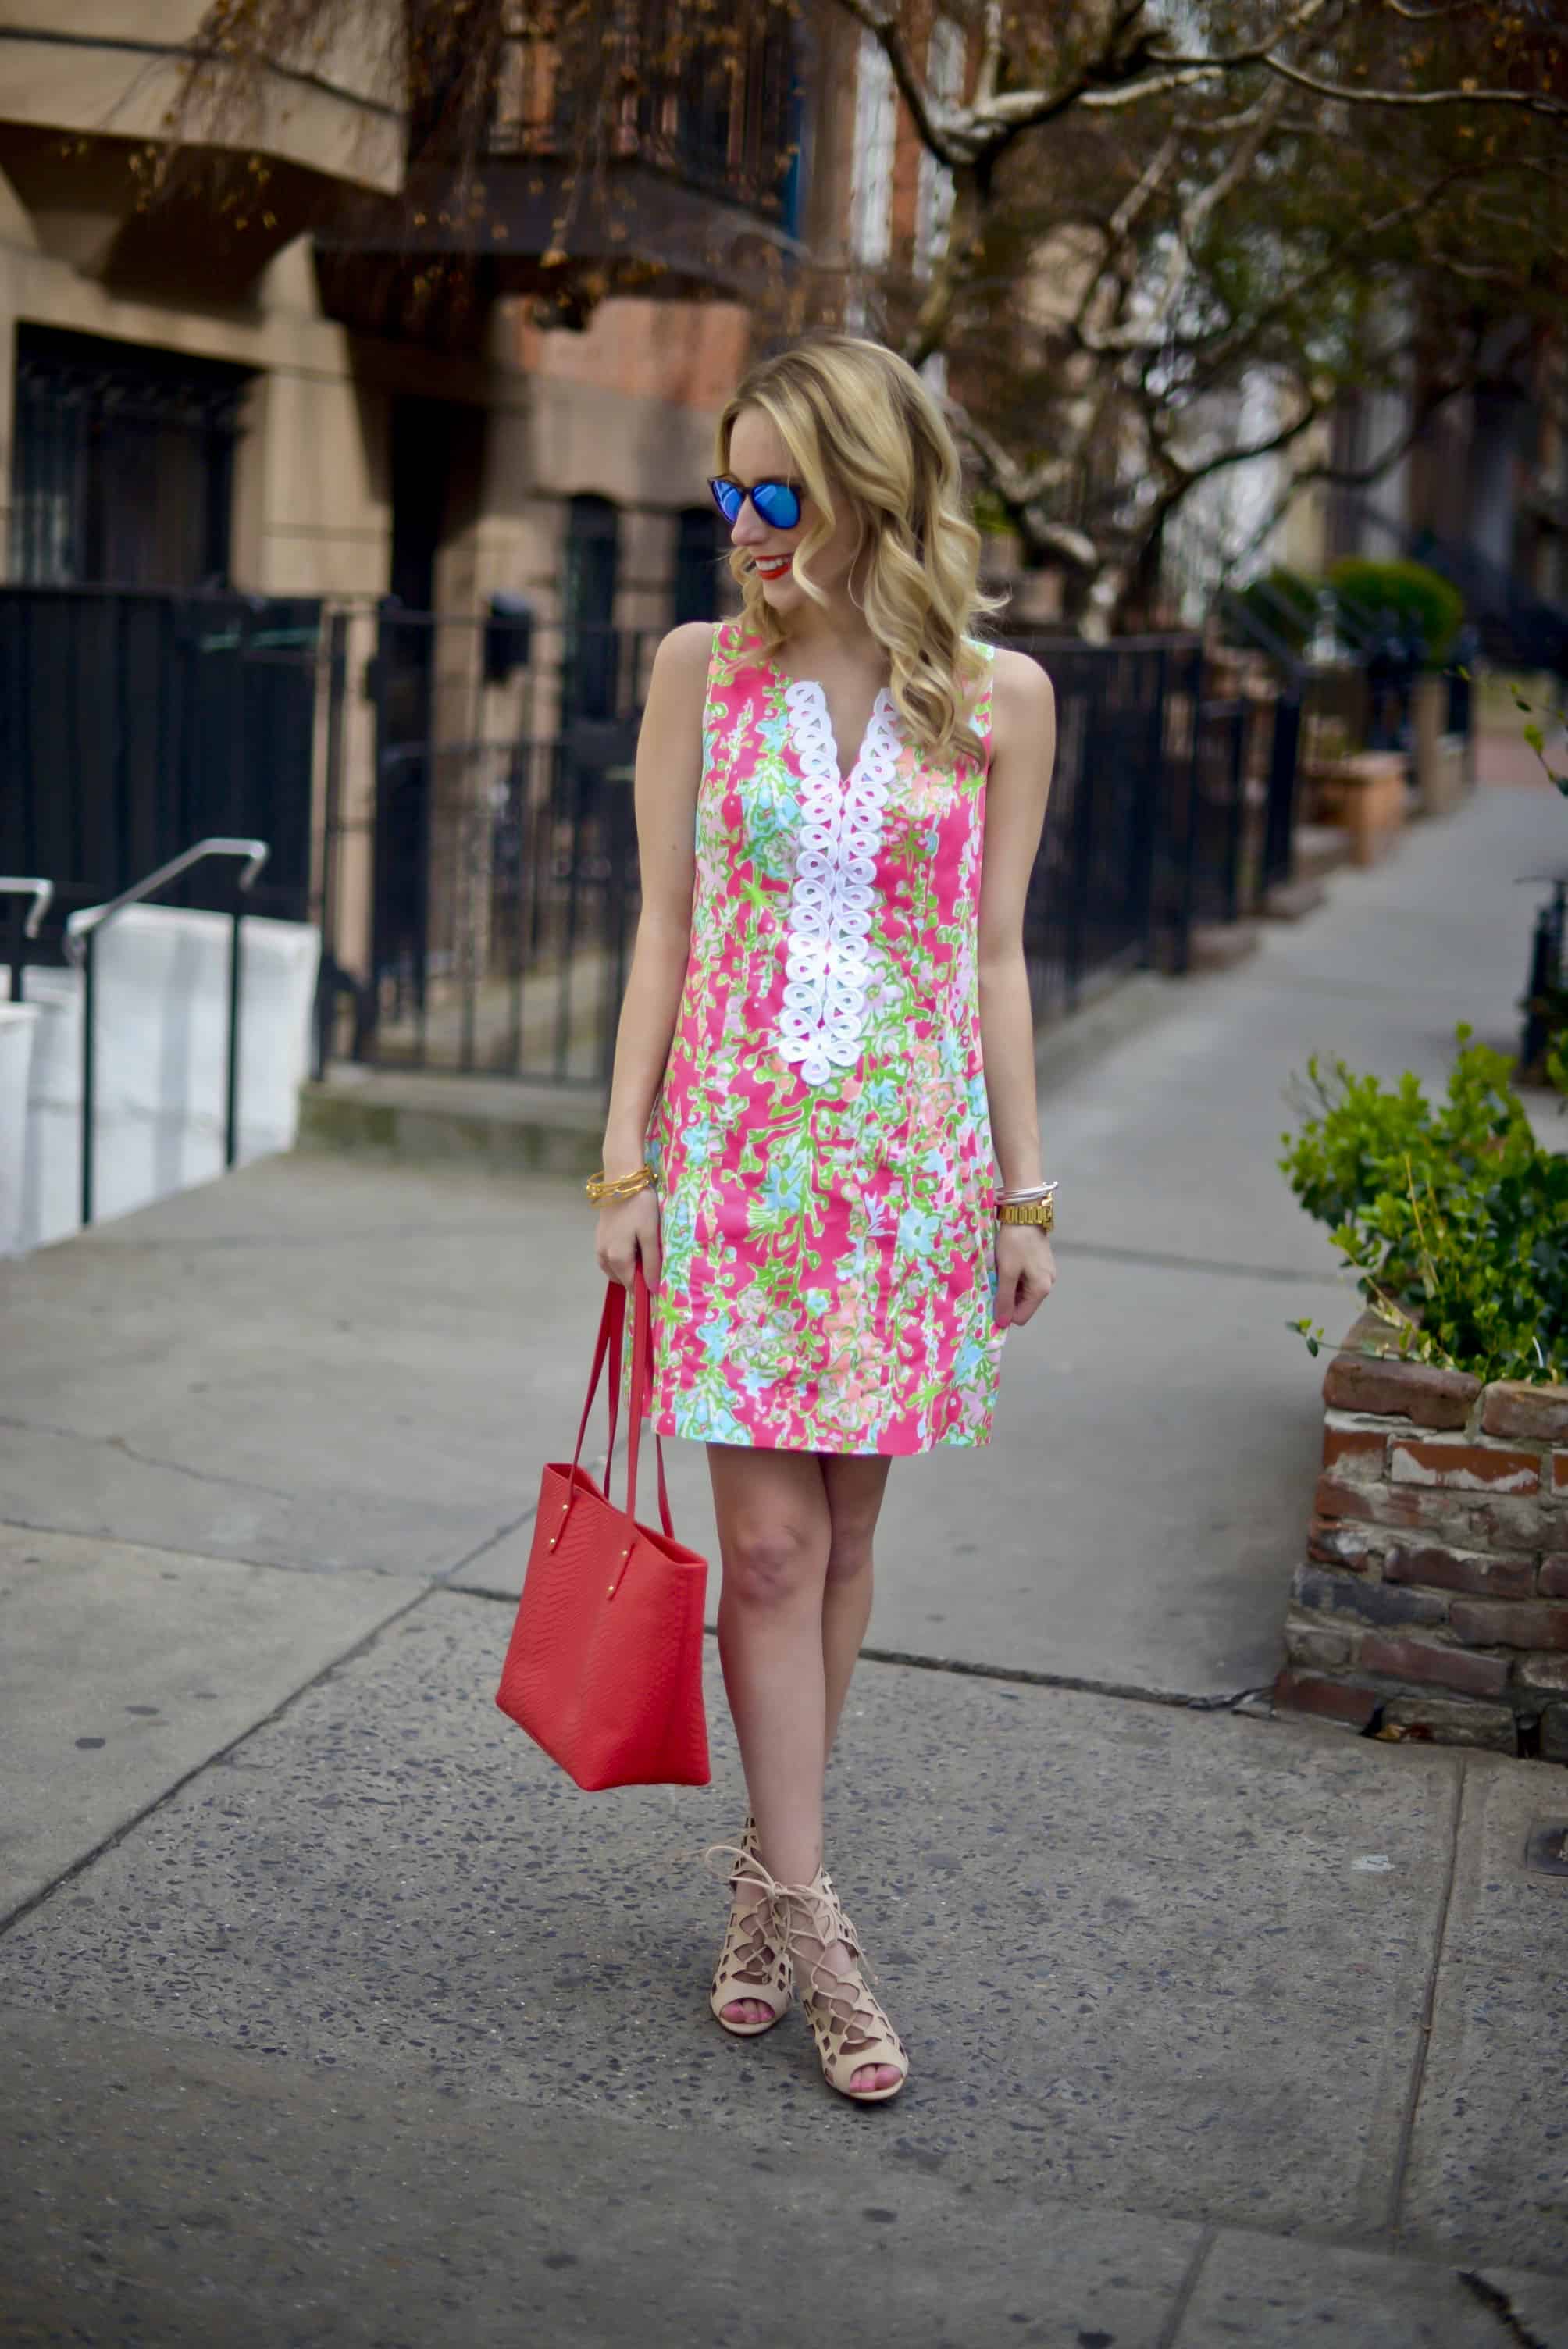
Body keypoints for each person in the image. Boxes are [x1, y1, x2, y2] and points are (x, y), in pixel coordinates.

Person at [591, 334, 1057, 2105]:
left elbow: (994, 957)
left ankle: (762, 1888)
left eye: (775, 493)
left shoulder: (995, 694)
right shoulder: (698, 672)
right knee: (769, 1557)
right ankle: (819, 1921)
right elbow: (662, 925)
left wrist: (1022, 1189)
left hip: (908, 1180)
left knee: (846, 1551)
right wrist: (622, 1154)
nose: (741, 525)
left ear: (871, 483)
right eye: (726, 490)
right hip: (738, 1165)